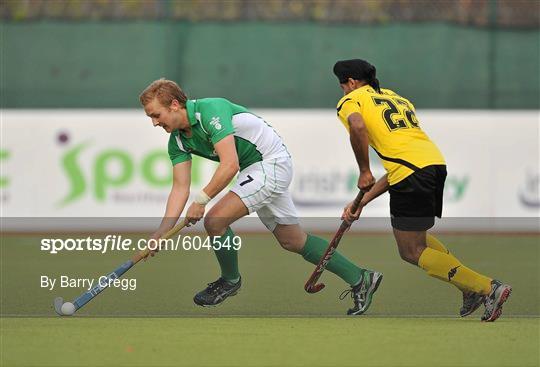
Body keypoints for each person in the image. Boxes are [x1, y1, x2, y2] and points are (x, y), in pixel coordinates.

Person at [139, 78, 383, 315]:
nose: (154, 123)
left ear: (174, 104)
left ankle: (230, 280)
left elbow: (230, 165)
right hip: (256, 169)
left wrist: (201, 201)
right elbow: (180, 187)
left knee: (215, 221)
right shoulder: (178, 141)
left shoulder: (210, 110)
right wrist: (162, 231)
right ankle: (360, 278)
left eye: (155, 115)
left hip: (270, 163)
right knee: (292, 240)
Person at [332, 59, 511, 322]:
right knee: (419, 240)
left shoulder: (352, 100)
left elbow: (357, 127)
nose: (343, 92)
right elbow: (399, 167)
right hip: (432, 165)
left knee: (410, 251)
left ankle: (488, 288)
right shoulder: (395, 98)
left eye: (342, 86)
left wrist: (364, 171)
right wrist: (361, 202)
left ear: (351, 82)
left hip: (412, 172)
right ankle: (469, 289)